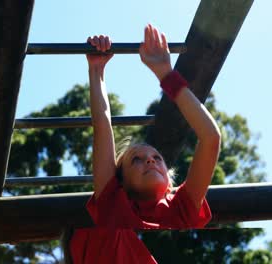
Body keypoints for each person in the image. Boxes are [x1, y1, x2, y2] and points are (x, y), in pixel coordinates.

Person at [66, 24, 221, 264]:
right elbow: (103, 125)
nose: (149, 159)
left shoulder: (181, 207)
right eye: (135, 160)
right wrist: (96, 71)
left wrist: (166, 74)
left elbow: (211, 137)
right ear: (120, 182)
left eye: (157, 158)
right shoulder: (113, 203)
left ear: (170, 181)